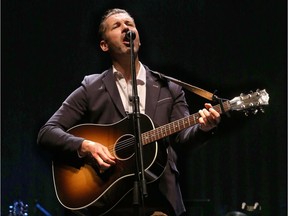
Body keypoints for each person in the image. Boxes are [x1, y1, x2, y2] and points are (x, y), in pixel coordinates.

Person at [37, 8, 221, 216]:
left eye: (130, 24)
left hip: (160, 200)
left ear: (139, 40)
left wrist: (204, 128)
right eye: (117, 26)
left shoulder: (169, 87)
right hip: (109, 201)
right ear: (104, 45)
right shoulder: (92, 87)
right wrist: (85, 145)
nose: (126, 28)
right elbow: (47, 132)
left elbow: (182, 139)